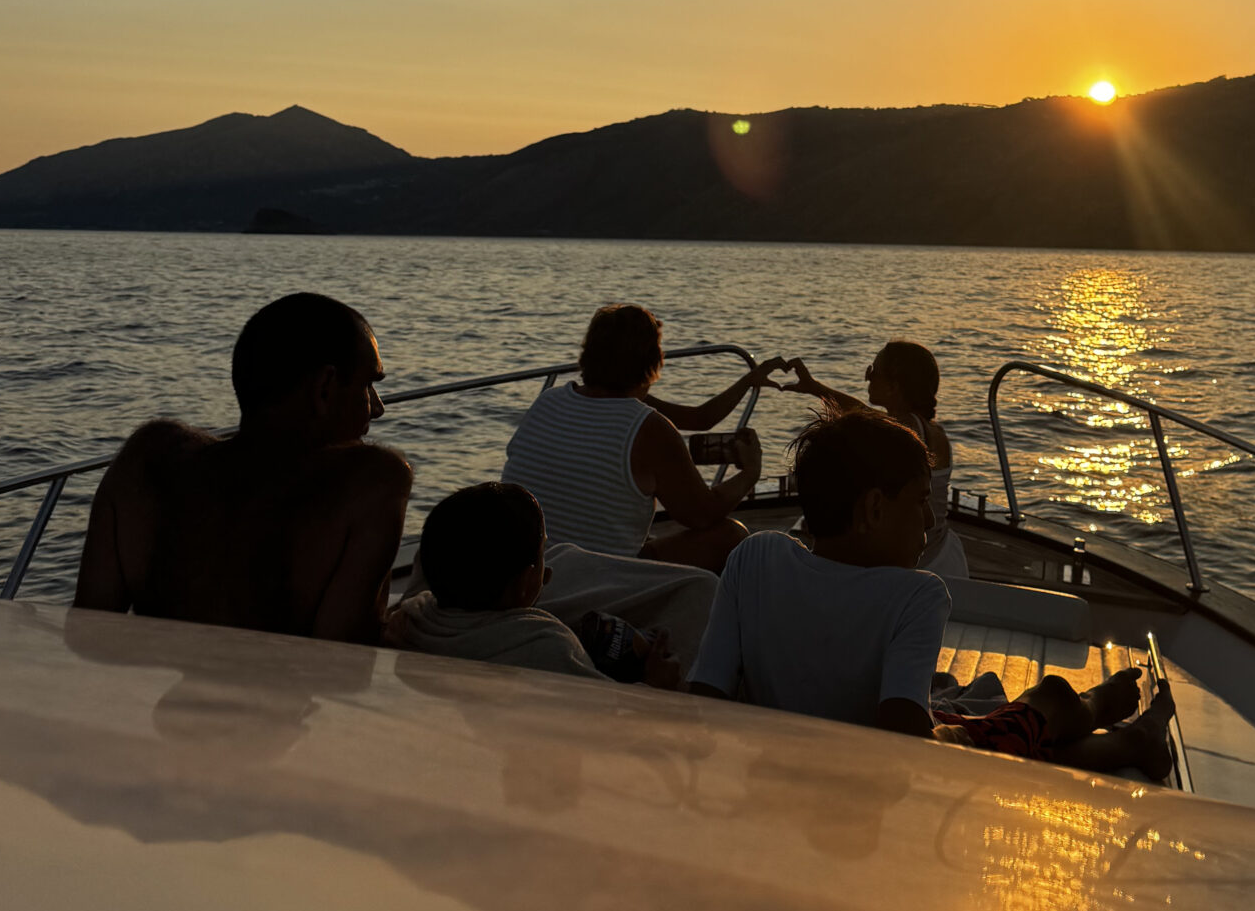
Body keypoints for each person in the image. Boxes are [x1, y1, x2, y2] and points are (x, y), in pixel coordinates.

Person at [688, 410, 1175, 778]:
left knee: (996, 718)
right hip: (872, 776)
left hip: (780, 768)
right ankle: (1105, 708)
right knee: (1049, 697)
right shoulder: (915, 595)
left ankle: (1130, 743)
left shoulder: (755, 557)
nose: (927, 520)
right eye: (920, 501)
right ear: (875, 509)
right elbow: (906, 741)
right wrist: (958, 734)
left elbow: (704, 694)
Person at [73, 292, 412, 645]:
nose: (377, 408)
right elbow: (346, 669)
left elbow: (87, 636)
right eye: (367, 385)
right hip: (276, 699)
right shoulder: (373, 483)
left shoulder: (147, 458)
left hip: (163, 696)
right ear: (324, 388)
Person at [503, 303, 778, 578]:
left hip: (523, 570)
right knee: (731, 536)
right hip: (598, 579)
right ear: (653, 361)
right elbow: (702, 514)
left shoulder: (548, 401)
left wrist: (748, 381)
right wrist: (750, 473)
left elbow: (698, 419)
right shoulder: (647, 427)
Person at [385, 482, 681, 686]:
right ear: (527, 582)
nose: (548, 572)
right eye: (542, 557)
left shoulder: (411, 618)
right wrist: (655, 686)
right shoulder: (548, 646)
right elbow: (607, 711)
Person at [775, 340, 965, 579]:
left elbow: (865, 420)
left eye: (873, 372)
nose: (867, 378)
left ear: (894, 386)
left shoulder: (910, 431)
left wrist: (817, 389)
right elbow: (866, 417)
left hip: (921, 555)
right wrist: (815, 388)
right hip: (939, 549)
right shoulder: (928, 429)